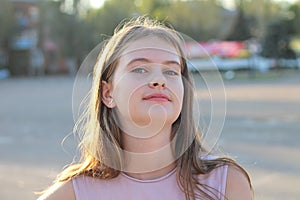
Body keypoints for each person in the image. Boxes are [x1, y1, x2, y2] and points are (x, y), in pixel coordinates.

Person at [38, 16, 253, 200]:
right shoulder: (74, 193)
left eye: (171, 71)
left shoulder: (226, 184)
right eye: (140, 69)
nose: (159, 80)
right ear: (108, 93)